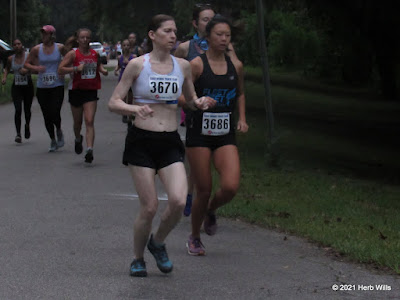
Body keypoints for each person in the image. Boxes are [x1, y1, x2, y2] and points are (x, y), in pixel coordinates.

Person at [108, 14, 215, 277]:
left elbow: (190, 100)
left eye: (175, 31)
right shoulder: (137, 65)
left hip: (169, 141)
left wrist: (200, 103)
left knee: (178, 201)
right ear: (153, 35)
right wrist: (134, 108)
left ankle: (157, 243)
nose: (172, 35)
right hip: (141, 141)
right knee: (150, 206)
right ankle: (137, 258)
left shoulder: (183, 66)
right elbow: (113, 102)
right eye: (166, 31)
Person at [185, 15, 249, 256]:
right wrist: (196, 101)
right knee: (203, 187)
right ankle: (194, 236)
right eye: (219, 35)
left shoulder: (236, 65)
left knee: (231, 186)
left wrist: (242, 118)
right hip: (199, 132)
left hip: (225, 133)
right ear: (208, 37)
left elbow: (240, 93)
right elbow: (182, 97)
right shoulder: (196, 65)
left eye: (228, 35)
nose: (224, 39)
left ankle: (210, 211)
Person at [174, 3, 238, 216]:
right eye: (204, 20)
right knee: (197, 156)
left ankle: (199, 196)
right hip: (193, 106)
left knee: (210, 158)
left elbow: (237, 73)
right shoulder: (186, 47)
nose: (208, 22)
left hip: (219, 113)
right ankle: (192, 195)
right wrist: (191, 101)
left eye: (211, 18)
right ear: (196, 23)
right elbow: (177, 76)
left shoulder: (225, 45)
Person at [58, 28, 108, 163]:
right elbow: (60, 69)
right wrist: (75, 69)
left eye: (87, 38)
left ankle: (89, 150)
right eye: (82, 38)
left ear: (90, 39)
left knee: (89, 120)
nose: (85, 40)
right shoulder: (72, 54)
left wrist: (103, 71)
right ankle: (78, 138)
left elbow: (98, 66)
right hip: (76, 90)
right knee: (78, 123)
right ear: (78, 39)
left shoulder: (94, 54)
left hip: (91, 91)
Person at [24, 25, 67, 152]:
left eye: (46, 34)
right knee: (46, 115)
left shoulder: (60, 47)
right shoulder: (36, 49)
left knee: (55, 111)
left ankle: (58, 130)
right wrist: (36, 68)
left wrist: (63, 69)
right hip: (42, 86)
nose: (43, 36)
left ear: (52, 35)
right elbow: (27, 63)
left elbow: (69, 58)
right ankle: (53, 139)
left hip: (57, 85)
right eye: (42, 34)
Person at [1, 38, 34, 143]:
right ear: (13, 47)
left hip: (28, 85)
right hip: (17, 86)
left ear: (22, 45)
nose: (17, 46)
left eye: (19, 44)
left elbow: (34, 67)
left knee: (27, 109)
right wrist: (4, 77)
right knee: (18, 109)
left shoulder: (28, 56)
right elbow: (6, 68)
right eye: (15, 44)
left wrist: (27, 70)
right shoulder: (11, 58)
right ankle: (18, 134)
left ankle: (27, 125)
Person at [114, 39, 135, 124]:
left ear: (130, 47)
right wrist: (116, 70)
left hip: (131, 80)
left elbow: (137, 67)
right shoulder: (120, 57)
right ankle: (124, 114)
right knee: (122, 98)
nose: (126, 47)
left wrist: (129, 63)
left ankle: (130, 116)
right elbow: (119, 65)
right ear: (121, 47)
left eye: (128, 45)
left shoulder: (133, 57)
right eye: (124, 45)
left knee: (130, 100)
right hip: (122, 80)